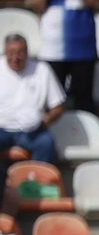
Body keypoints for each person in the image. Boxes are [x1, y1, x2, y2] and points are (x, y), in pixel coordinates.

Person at [29, 0, 99, 112]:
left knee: (83, 98)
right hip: (52, 51)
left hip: (82, 51)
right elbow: (36, 6)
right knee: (52, 100)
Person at [0, 35, 65, 164]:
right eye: (11, 53)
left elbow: (58, 106)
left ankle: (36, 182)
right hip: (2, 128)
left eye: (20, 53)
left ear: (27, 52)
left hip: (31, 130)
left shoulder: (42, 69)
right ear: (5, 53)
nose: (15, 58)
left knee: (46, 142)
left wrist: (47, 118)